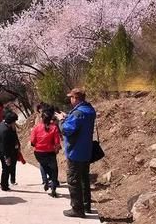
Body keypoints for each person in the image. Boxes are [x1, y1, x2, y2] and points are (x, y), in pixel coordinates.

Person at [55, 88, 96, 218]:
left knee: (73, 180)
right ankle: (86, 205)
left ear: (76, 98)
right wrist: (69, 117)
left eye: (71, 97)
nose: (70, 99)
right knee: (84, 179)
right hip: (86, 151)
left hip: (75, 152)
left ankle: (77, 209)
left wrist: (61, 120)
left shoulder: (78, 114)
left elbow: (67, 130)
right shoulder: (89, 110)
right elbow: (79, 124)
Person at [30, 108, 61, 197]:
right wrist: (56, 149)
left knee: (43, 165)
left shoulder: (36, 128)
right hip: (50, 152)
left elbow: (32, 141)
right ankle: (53, 188)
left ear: (42, 118)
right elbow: (57, 142)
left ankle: (45, 180)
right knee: (54, 170)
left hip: (39, 152)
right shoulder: (54, 128)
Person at [0, 111, 19, 191]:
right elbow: (4, 146)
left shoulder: (4, 124)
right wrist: (7, 157)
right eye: (14, 121)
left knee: (8, 168)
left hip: (10, 150)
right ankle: (4, 185)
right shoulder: (4, 131)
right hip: (4, 152)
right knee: (6, 169)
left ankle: (5, 183)